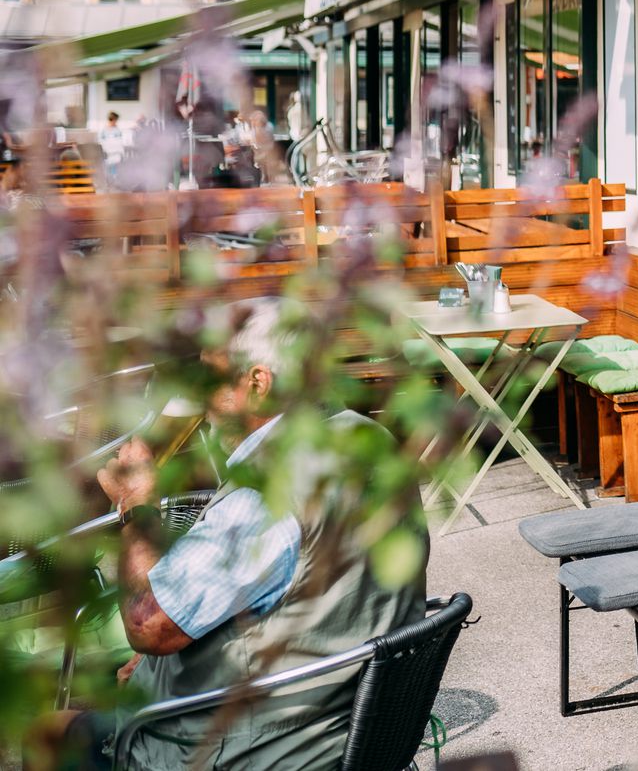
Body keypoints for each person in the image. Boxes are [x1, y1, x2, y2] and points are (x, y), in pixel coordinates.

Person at [33, 300, 428, 770]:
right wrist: (159, 672)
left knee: (48, 731)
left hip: (254, 752)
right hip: (347, 730)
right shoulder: (370, 440)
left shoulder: (266, 493)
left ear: (257, 384)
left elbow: (147, 626)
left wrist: (136, 506)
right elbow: (296, 596)